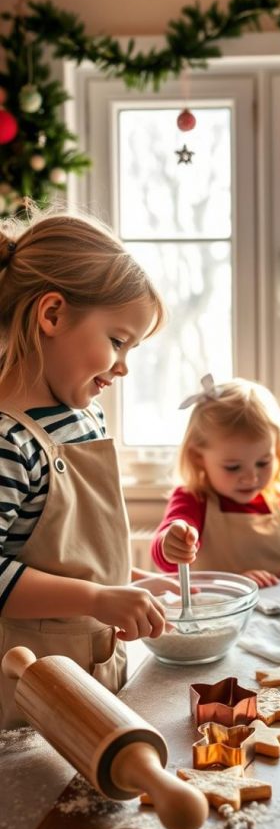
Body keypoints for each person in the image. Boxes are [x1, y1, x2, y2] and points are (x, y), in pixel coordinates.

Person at [0, 209, 168, 728]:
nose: (122, 367)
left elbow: (74, 554)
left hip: (98, 671)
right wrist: (98, 597)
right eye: (118, 341)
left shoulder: (84, 418)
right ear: (51, 314)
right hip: (30, 697)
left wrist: (132, 583)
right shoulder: (8, 440)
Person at [151, 376, 280, 587]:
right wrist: (172, 542)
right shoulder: (193, 499)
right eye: (233, 467)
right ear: (198, 457)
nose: (251, 477)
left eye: (263, 462)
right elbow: (166, 560)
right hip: (218, 616)